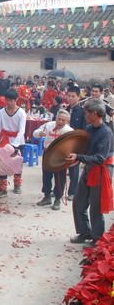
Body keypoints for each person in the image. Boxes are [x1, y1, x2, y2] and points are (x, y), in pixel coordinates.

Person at [66, 99, 114, 245]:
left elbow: (100, 158)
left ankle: (97, 237)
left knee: (96, 206)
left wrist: (79, 157)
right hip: (89, 167)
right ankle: (84, 232)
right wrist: (74, 156)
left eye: (87, 113)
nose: (85, 115)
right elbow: (84, 147)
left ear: (95, 113)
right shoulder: (89, 128)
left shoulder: (106, 133)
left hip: (101, 170)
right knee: (79, 201)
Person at [34, 110, 74, 210]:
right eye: (58, 119)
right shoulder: (48, 125)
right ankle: (47, 196)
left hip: (61, 157)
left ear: (67, 121)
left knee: (60, 179)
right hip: (48, 153)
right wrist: (39, 133)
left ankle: (57, 199)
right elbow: (35, 132)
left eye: (63, 120)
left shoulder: (69, 131)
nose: (60, 122)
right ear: (55, 118)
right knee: (46, 176)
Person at [0, 89, 26, 198]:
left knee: (17, 163)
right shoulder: (1, 112)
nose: (9, 103)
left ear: (16, 100)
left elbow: (22, 130)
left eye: (11, 100)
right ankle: (2, 188)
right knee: (2, 164)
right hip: (4, 140)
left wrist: (15, 144)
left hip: (18, 141)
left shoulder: (21, 113)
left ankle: (17, 184)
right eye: (7, 100)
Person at [66, 86, 86, 200]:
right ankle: (58, 190)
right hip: (63, 142)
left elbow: (84, 130)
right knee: (60, 167)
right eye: (68, 96)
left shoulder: (82, 112)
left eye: (73, 96)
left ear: (78, 97)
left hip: (75, 143)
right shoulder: (64, 110)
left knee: (73, 169)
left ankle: (73, 192)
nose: (70, 98)